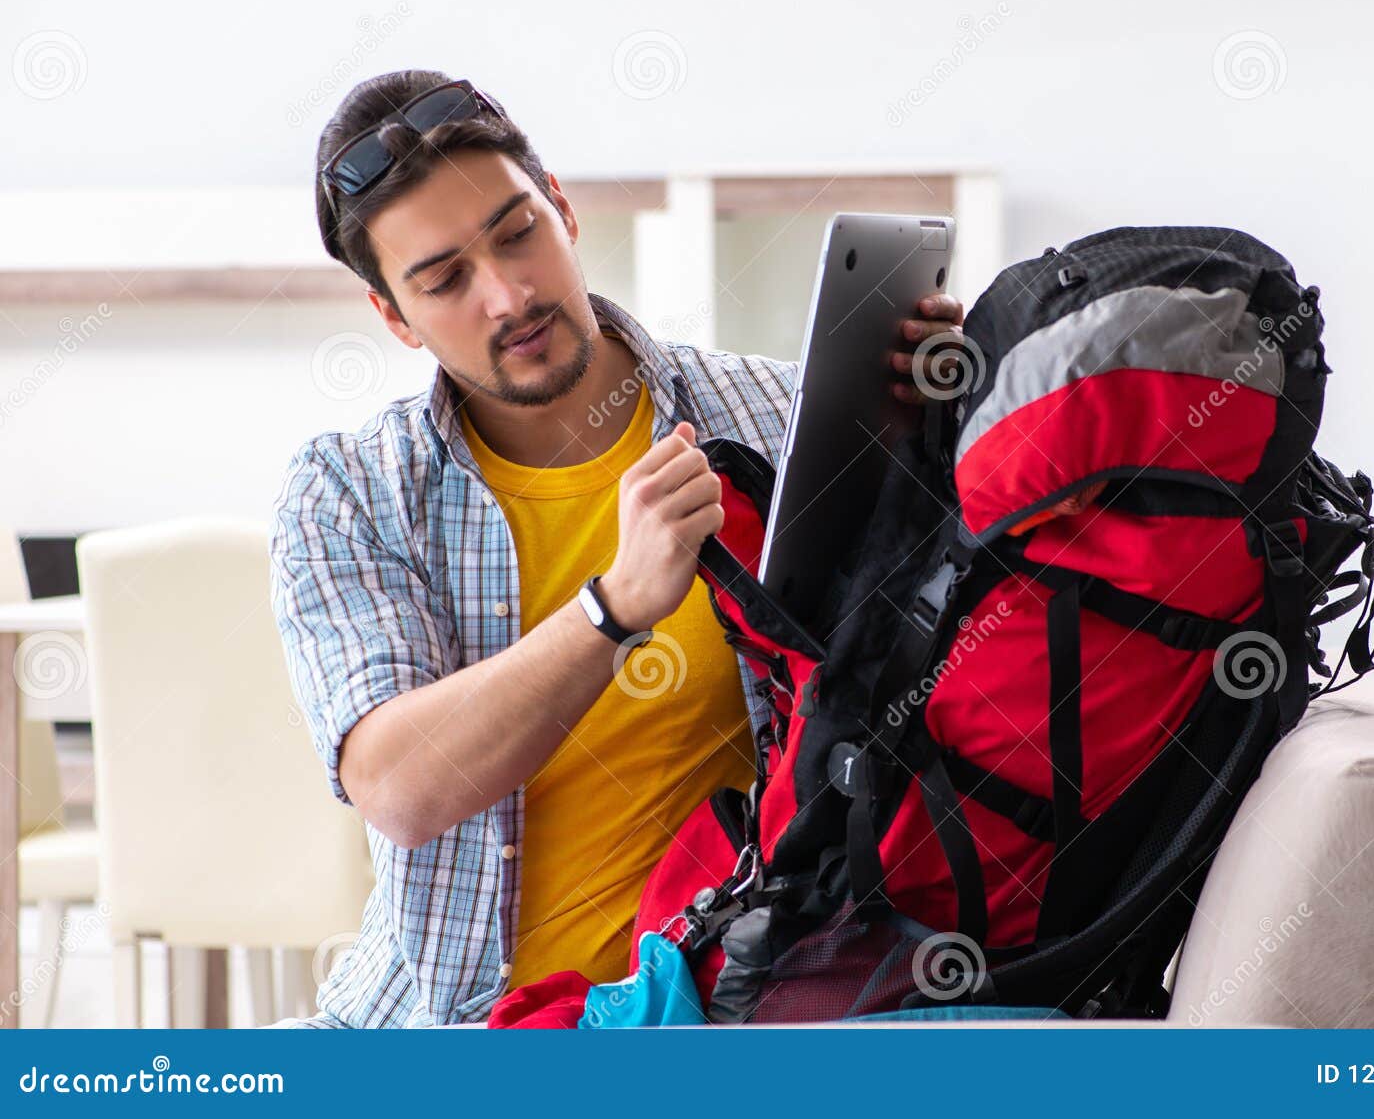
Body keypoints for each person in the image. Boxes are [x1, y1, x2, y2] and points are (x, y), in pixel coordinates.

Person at [266, 69, 965, 1026]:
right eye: (444, 280)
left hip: (720, 1002)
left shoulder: (774, 418)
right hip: (457, 1026)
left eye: (518, 234)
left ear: (560, 209)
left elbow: (924, 677)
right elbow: (399, 787)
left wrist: (939, 438)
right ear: (393, 316)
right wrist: (612, 609)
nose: (509, 295)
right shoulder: (352, 493)